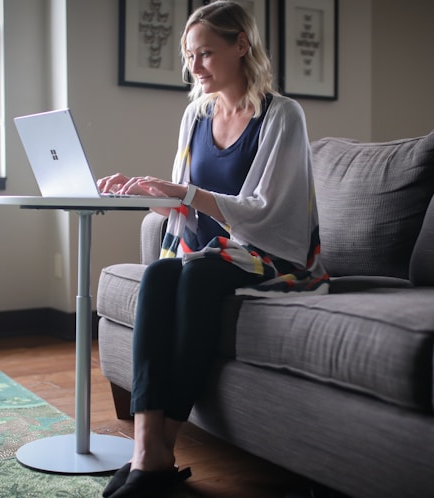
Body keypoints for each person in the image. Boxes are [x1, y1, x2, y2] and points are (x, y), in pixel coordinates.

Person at [97, 2, 328, 496]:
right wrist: (141, 192)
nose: (194, 67)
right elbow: (184, 206)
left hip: (266, 254)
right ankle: (146, 450)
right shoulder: (195, 115)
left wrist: (182, 192)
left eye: (204, 53)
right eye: (189, 56)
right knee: (159, 273)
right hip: (203, 254)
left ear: (241, 45)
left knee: (198, 274)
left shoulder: (282, 115)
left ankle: (159, 454)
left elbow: (270, 212)